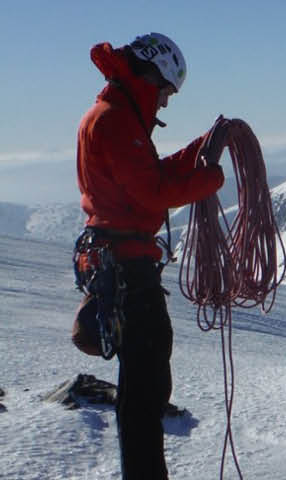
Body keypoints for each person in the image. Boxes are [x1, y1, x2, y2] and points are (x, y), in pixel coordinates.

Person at [76, 32, 227, 479]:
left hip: (119, 265)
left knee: (144, 387)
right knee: (144, 392)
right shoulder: (118, 121)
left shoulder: (113, 115)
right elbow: (154, 191)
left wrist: (201, 147)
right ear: (152, 76)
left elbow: (150, 174)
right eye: (165, 92)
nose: (164, 104)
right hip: (128, 270)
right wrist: (211, 177)